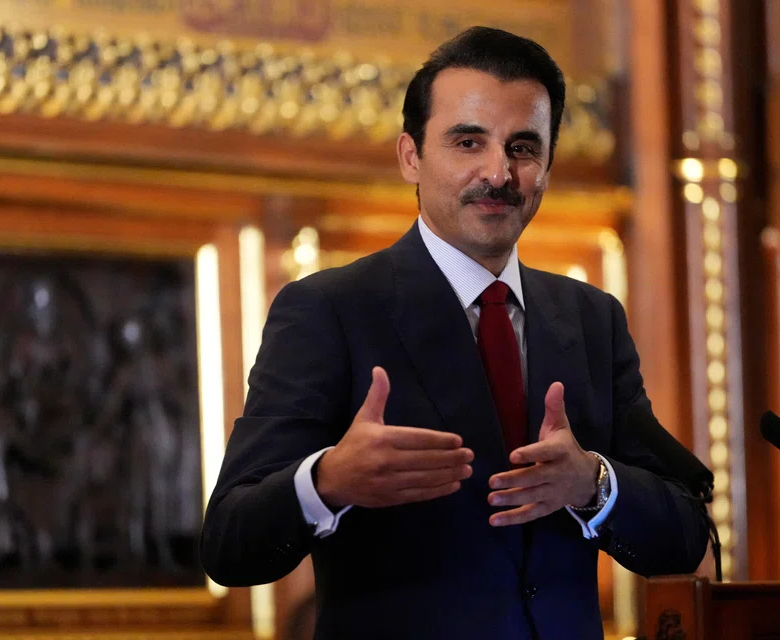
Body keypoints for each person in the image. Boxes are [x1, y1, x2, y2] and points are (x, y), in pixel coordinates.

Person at [201, 26, 709, 640]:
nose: (499, 172)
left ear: (547, 161)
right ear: (411, 156)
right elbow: (229, 543)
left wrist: (591, 483)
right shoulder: (328, 310)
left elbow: (683, 539)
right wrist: (327, 481)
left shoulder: (590, 317)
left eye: (523, 147)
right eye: (468, 142)